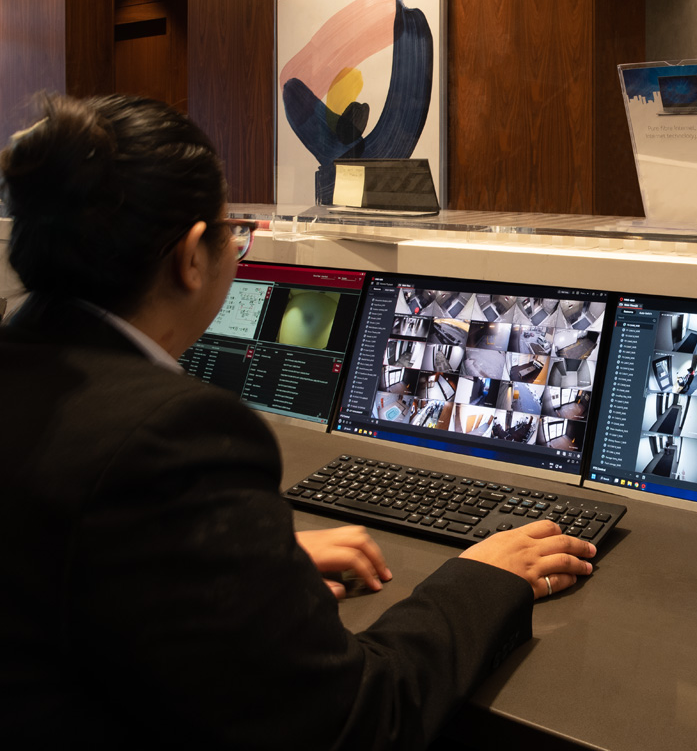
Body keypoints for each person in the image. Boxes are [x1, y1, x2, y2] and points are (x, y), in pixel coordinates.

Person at [0, 94, 596, 749]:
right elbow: (360, 721)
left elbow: (73, 557)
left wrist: (234, 562)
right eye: (233, 230)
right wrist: (485, 578)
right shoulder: (173, 437)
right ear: (192, 256)